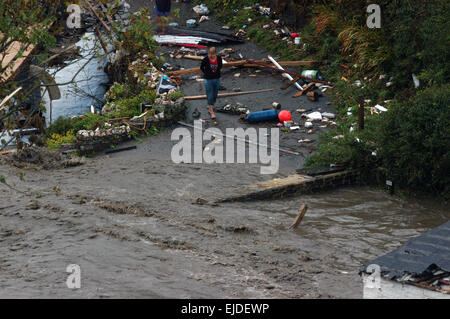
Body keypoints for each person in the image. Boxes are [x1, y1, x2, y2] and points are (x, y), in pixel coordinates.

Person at [200, 47, 223, 120]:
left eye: (213, 54)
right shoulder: (206, 59)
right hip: (208, 79)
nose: (211, 56)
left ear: (215, 53)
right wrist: (206, 73)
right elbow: (201, 67)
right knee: (210, 93)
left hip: (217, 78)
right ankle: (211, 111)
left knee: (215, 94)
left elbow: (220, 67)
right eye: (210, 54)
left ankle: (211, 105)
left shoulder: (219, 58)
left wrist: (215, 73)